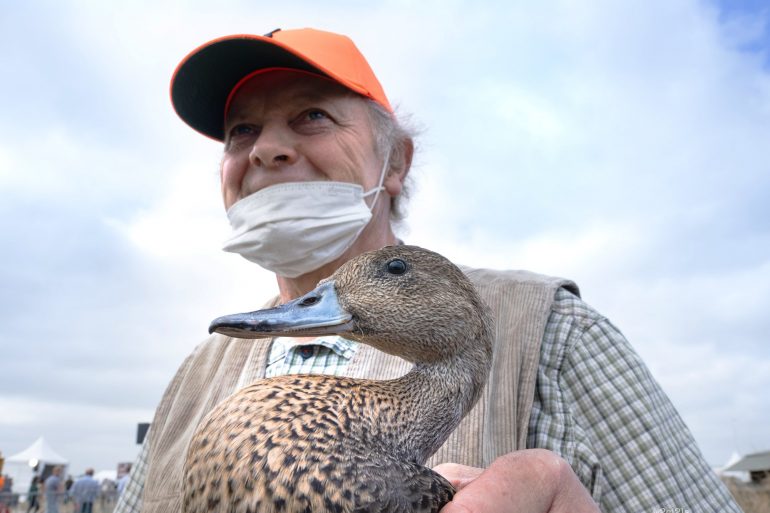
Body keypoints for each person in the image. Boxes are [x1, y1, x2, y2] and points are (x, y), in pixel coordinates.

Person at [115, 28, 741, 513]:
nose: (265, 149)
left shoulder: (554, 332)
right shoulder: (196, 373)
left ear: (395, 163)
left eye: (312, 116)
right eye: (241, 130)